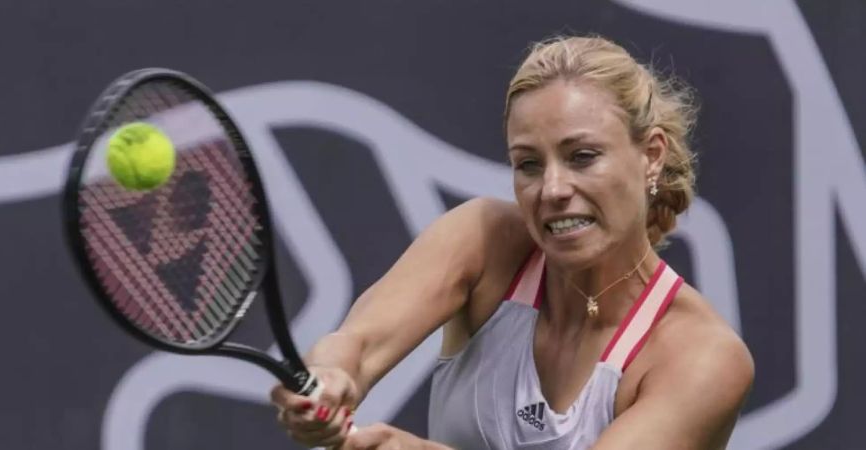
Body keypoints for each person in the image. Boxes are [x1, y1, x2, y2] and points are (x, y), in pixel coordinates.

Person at [271, 35, 754, 449]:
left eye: (582, 156)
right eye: (528, 164)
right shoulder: (483, 241)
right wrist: (331, 378)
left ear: (650, 156)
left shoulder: (703, 357)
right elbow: (356, 344)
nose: (553, 189)